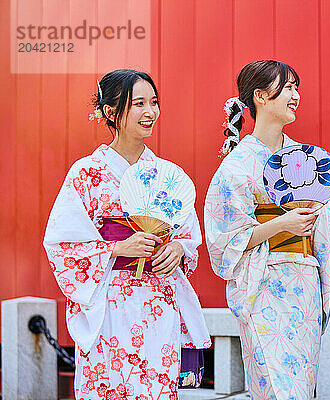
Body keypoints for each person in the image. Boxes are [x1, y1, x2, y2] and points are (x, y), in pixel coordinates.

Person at [43, 69, 211, 400]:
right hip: (109, 299)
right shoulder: (87, 173)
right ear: (110, 112)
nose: (150, 112)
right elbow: (61, 244)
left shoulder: (165, 175)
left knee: (156, 388)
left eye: (154, 102)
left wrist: (178, 247)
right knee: (108, 385)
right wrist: (119, 246)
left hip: (158, 300)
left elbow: (189, 237)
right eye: (138, 104)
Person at [204, 60, 330, 400]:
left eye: (296, 88)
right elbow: (223, 238)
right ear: (260, 96)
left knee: (300, 388)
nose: (296, 95)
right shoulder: (238, 165)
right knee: (275, 388)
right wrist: (280, 224)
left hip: (306, 285)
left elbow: (325, 230)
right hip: (263, 285)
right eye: (288, 87)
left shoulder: (305, 160)